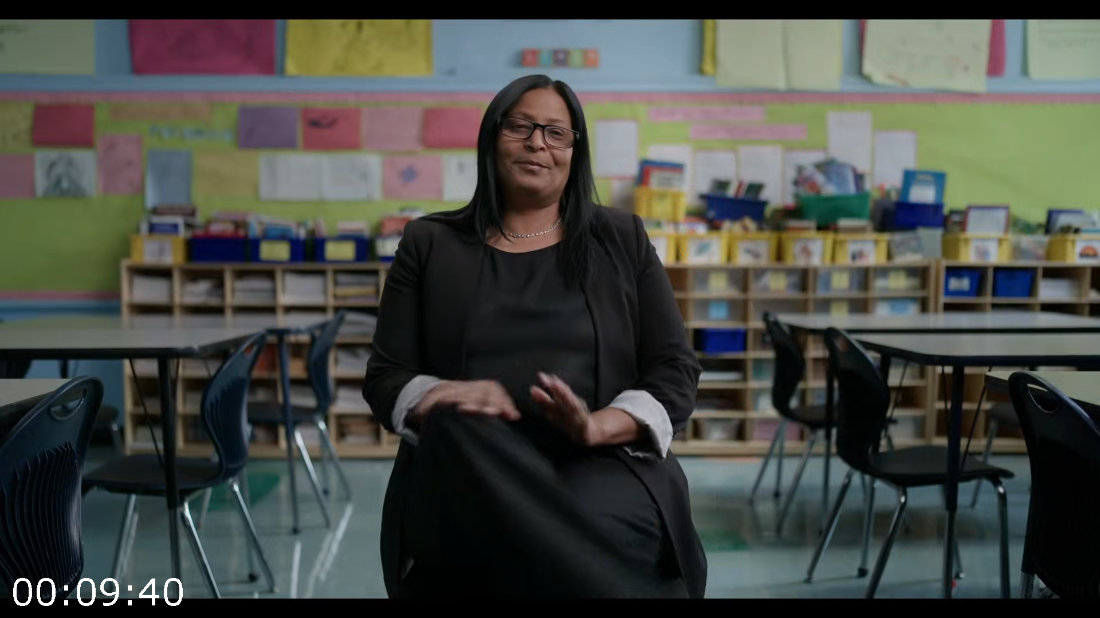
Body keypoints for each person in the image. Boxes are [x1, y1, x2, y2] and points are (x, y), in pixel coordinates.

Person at [363, 74, 706, 599]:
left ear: (574, 151)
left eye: (555, 132)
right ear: (492, 137)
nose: (537, 143)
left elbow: (674, 370)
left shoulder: (622, 239)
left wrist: (595, 427)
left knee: (560, 529)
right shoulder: (429, 244)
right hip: (469, 464)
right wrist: (442, 394)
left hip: (602, 460)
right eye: (519, 126)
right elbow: (386, 376)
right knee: (455, 424)